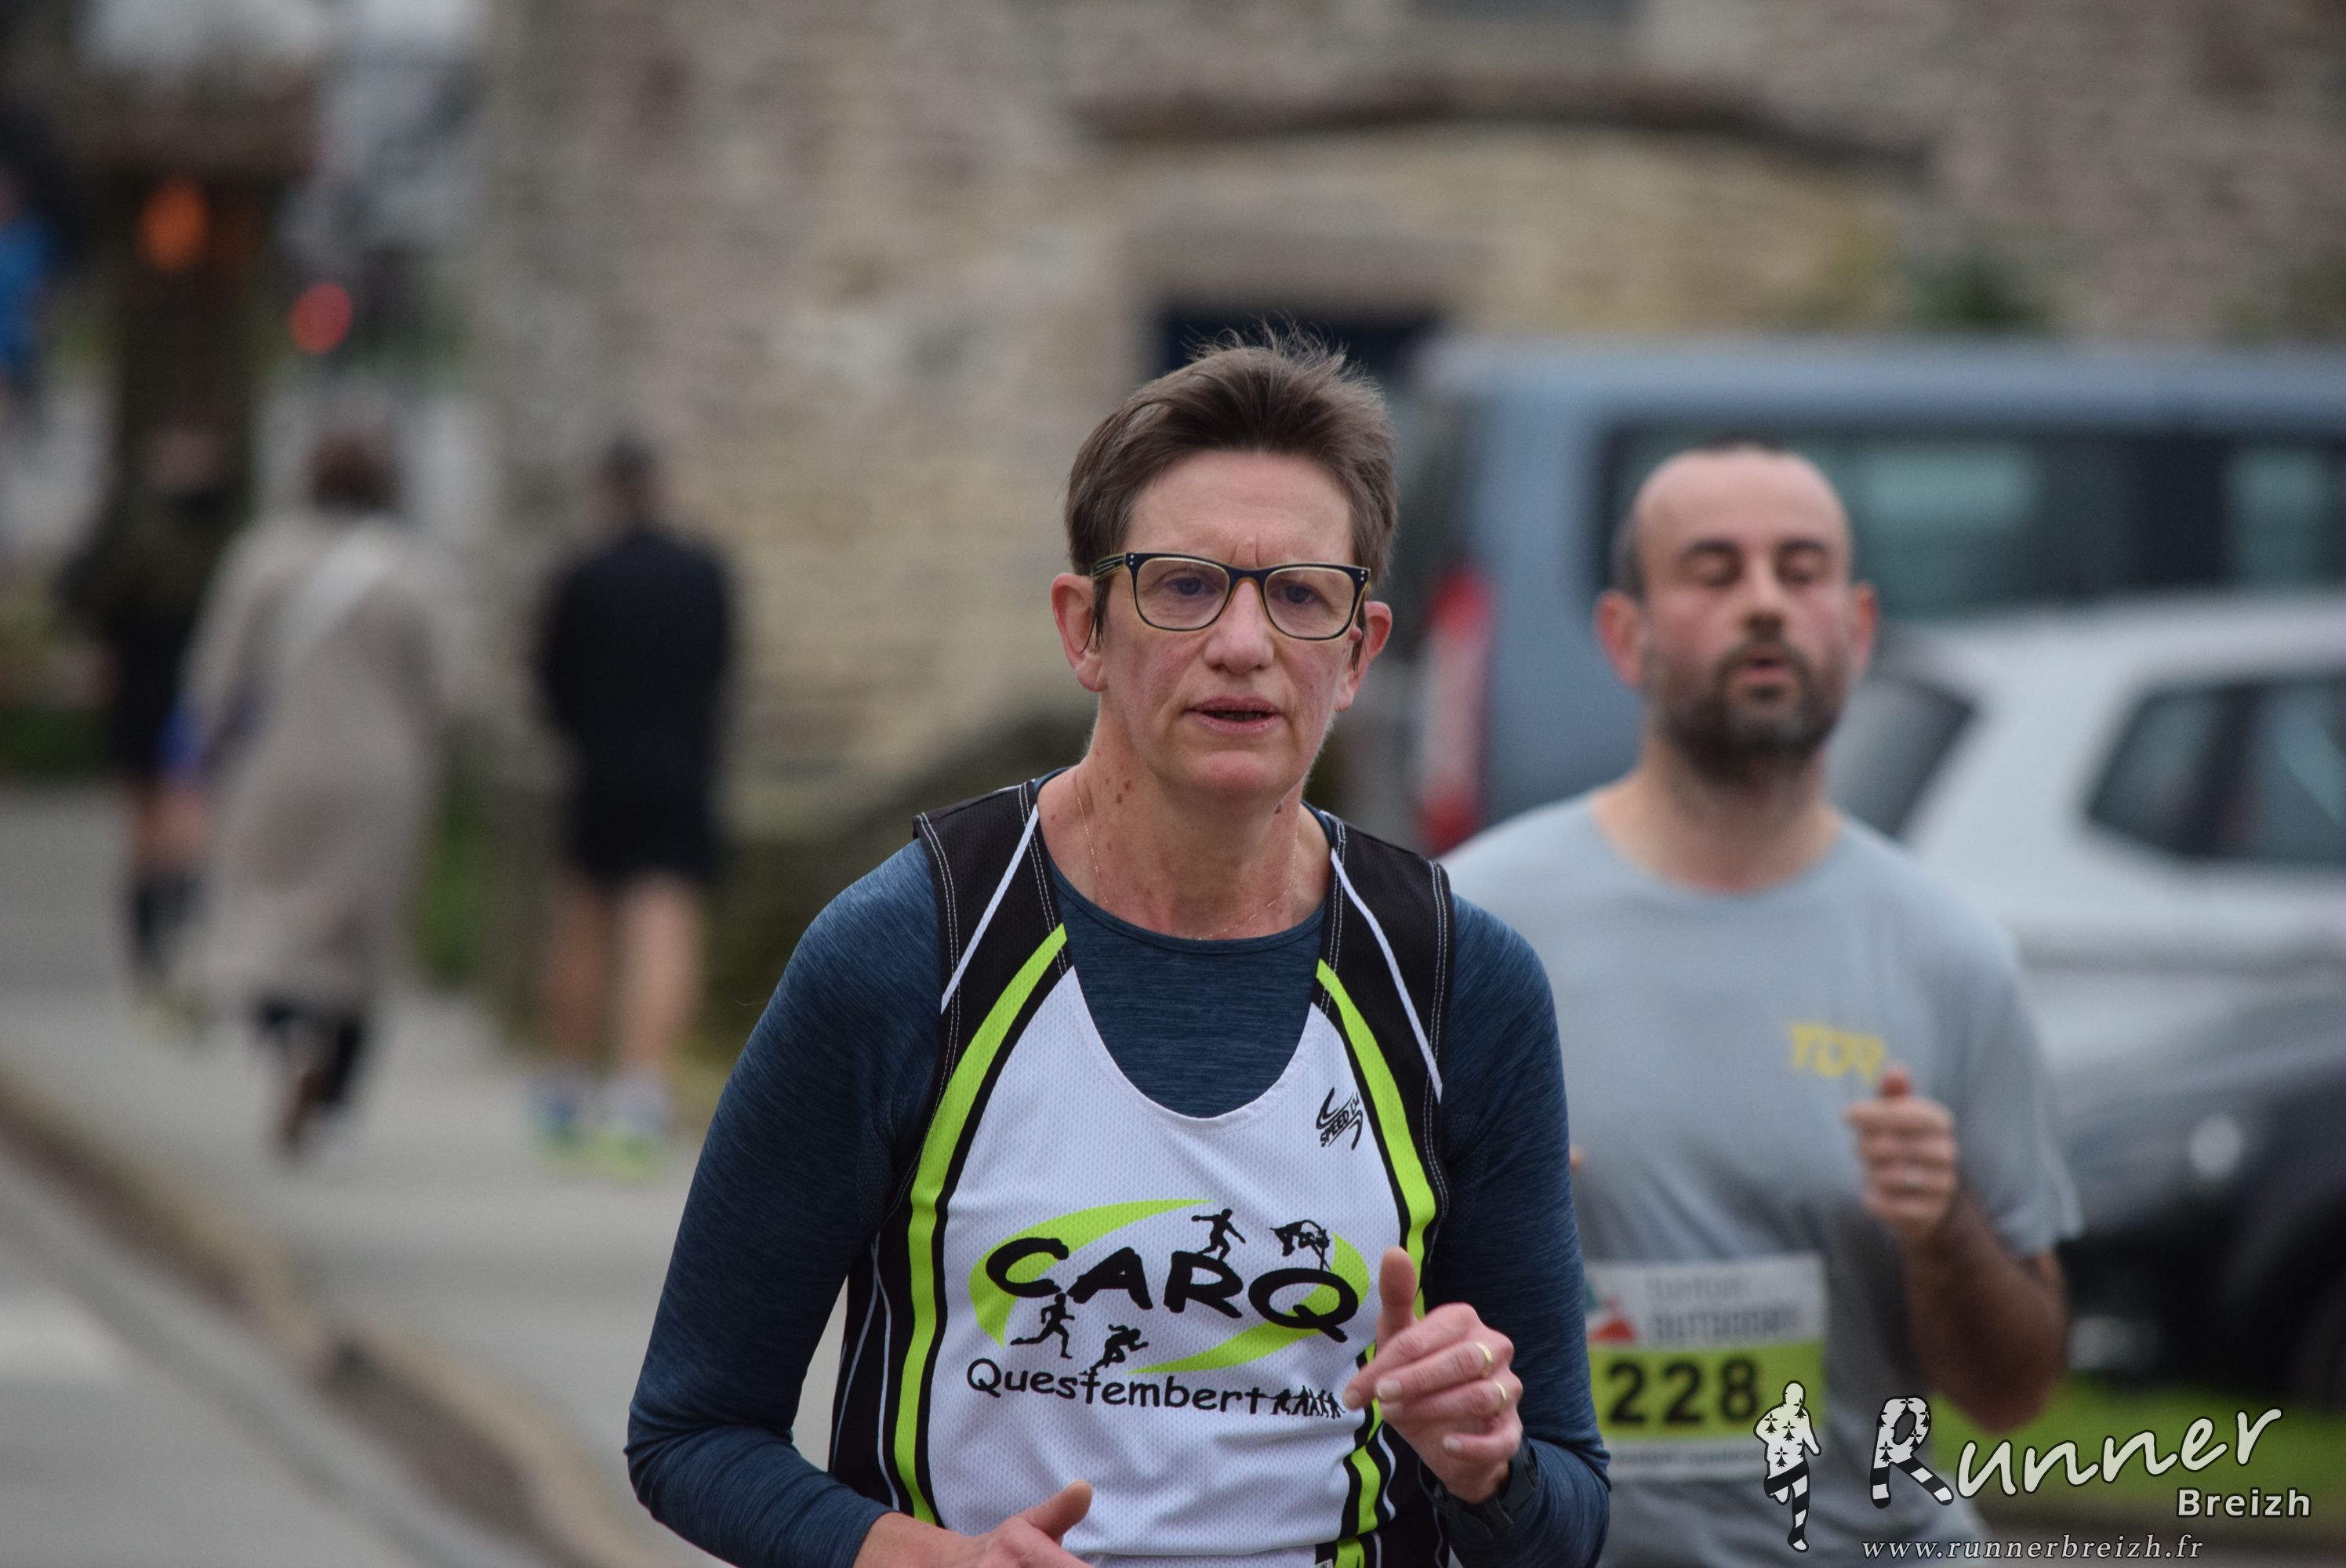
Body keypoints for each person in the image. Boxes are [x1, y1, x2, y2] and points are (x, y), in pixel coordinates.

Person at [627, 341, 1610, 1567]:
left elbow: (1569, 1513)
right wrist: (926, 1560)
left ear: (1360, 652)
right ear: (1083, 628)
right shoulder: (909, 953)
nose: (1244, 642)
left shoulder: (1460, 986)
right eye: (1184, 586)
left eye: (1301, 595)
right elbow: (691, 1430)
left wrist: (1490, 1470)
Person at [1444, 442, 2078, 1564]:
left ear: (1859, 626)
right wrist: (1468, 1208)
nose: (1766, 604)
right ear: (1626, 635)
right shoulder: (1474, 925)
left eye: (1801, 569)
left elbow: (2015, 1392)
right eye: (1713, 570)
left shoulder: (1948, 951)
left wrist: (1945, 1231)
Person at [183, 426, 456, 1156]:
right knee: (362, 936)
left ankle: (286, 1040)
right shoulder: (408, 571)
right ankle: (336, 1091)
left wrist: (204, 760)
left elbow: (217, 677)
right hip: (381, 780)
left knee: (264, 919)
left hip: (279, 767)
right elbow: (444, 694)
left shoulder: (262, 558)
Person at [532, 435, 734, 1171]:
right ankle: (639, 1098)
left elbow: (551, 687)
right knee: (665, 928)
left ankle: (565, 1089)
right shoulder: (704, 574)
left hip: (600, 770)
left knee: (583, 924)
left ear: (604, 492)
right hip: (680, 771)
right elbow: (721, 669)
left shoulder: (582, 576)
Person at [56, 422, 245, 997]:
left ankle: (158, 946)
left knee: (164, 816)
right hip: (164, 671)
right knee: (169, 814)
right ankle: (167, 942)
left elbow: (84, 593)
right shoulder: (223, 528)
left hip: (163, 671)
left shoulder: (147, 523)